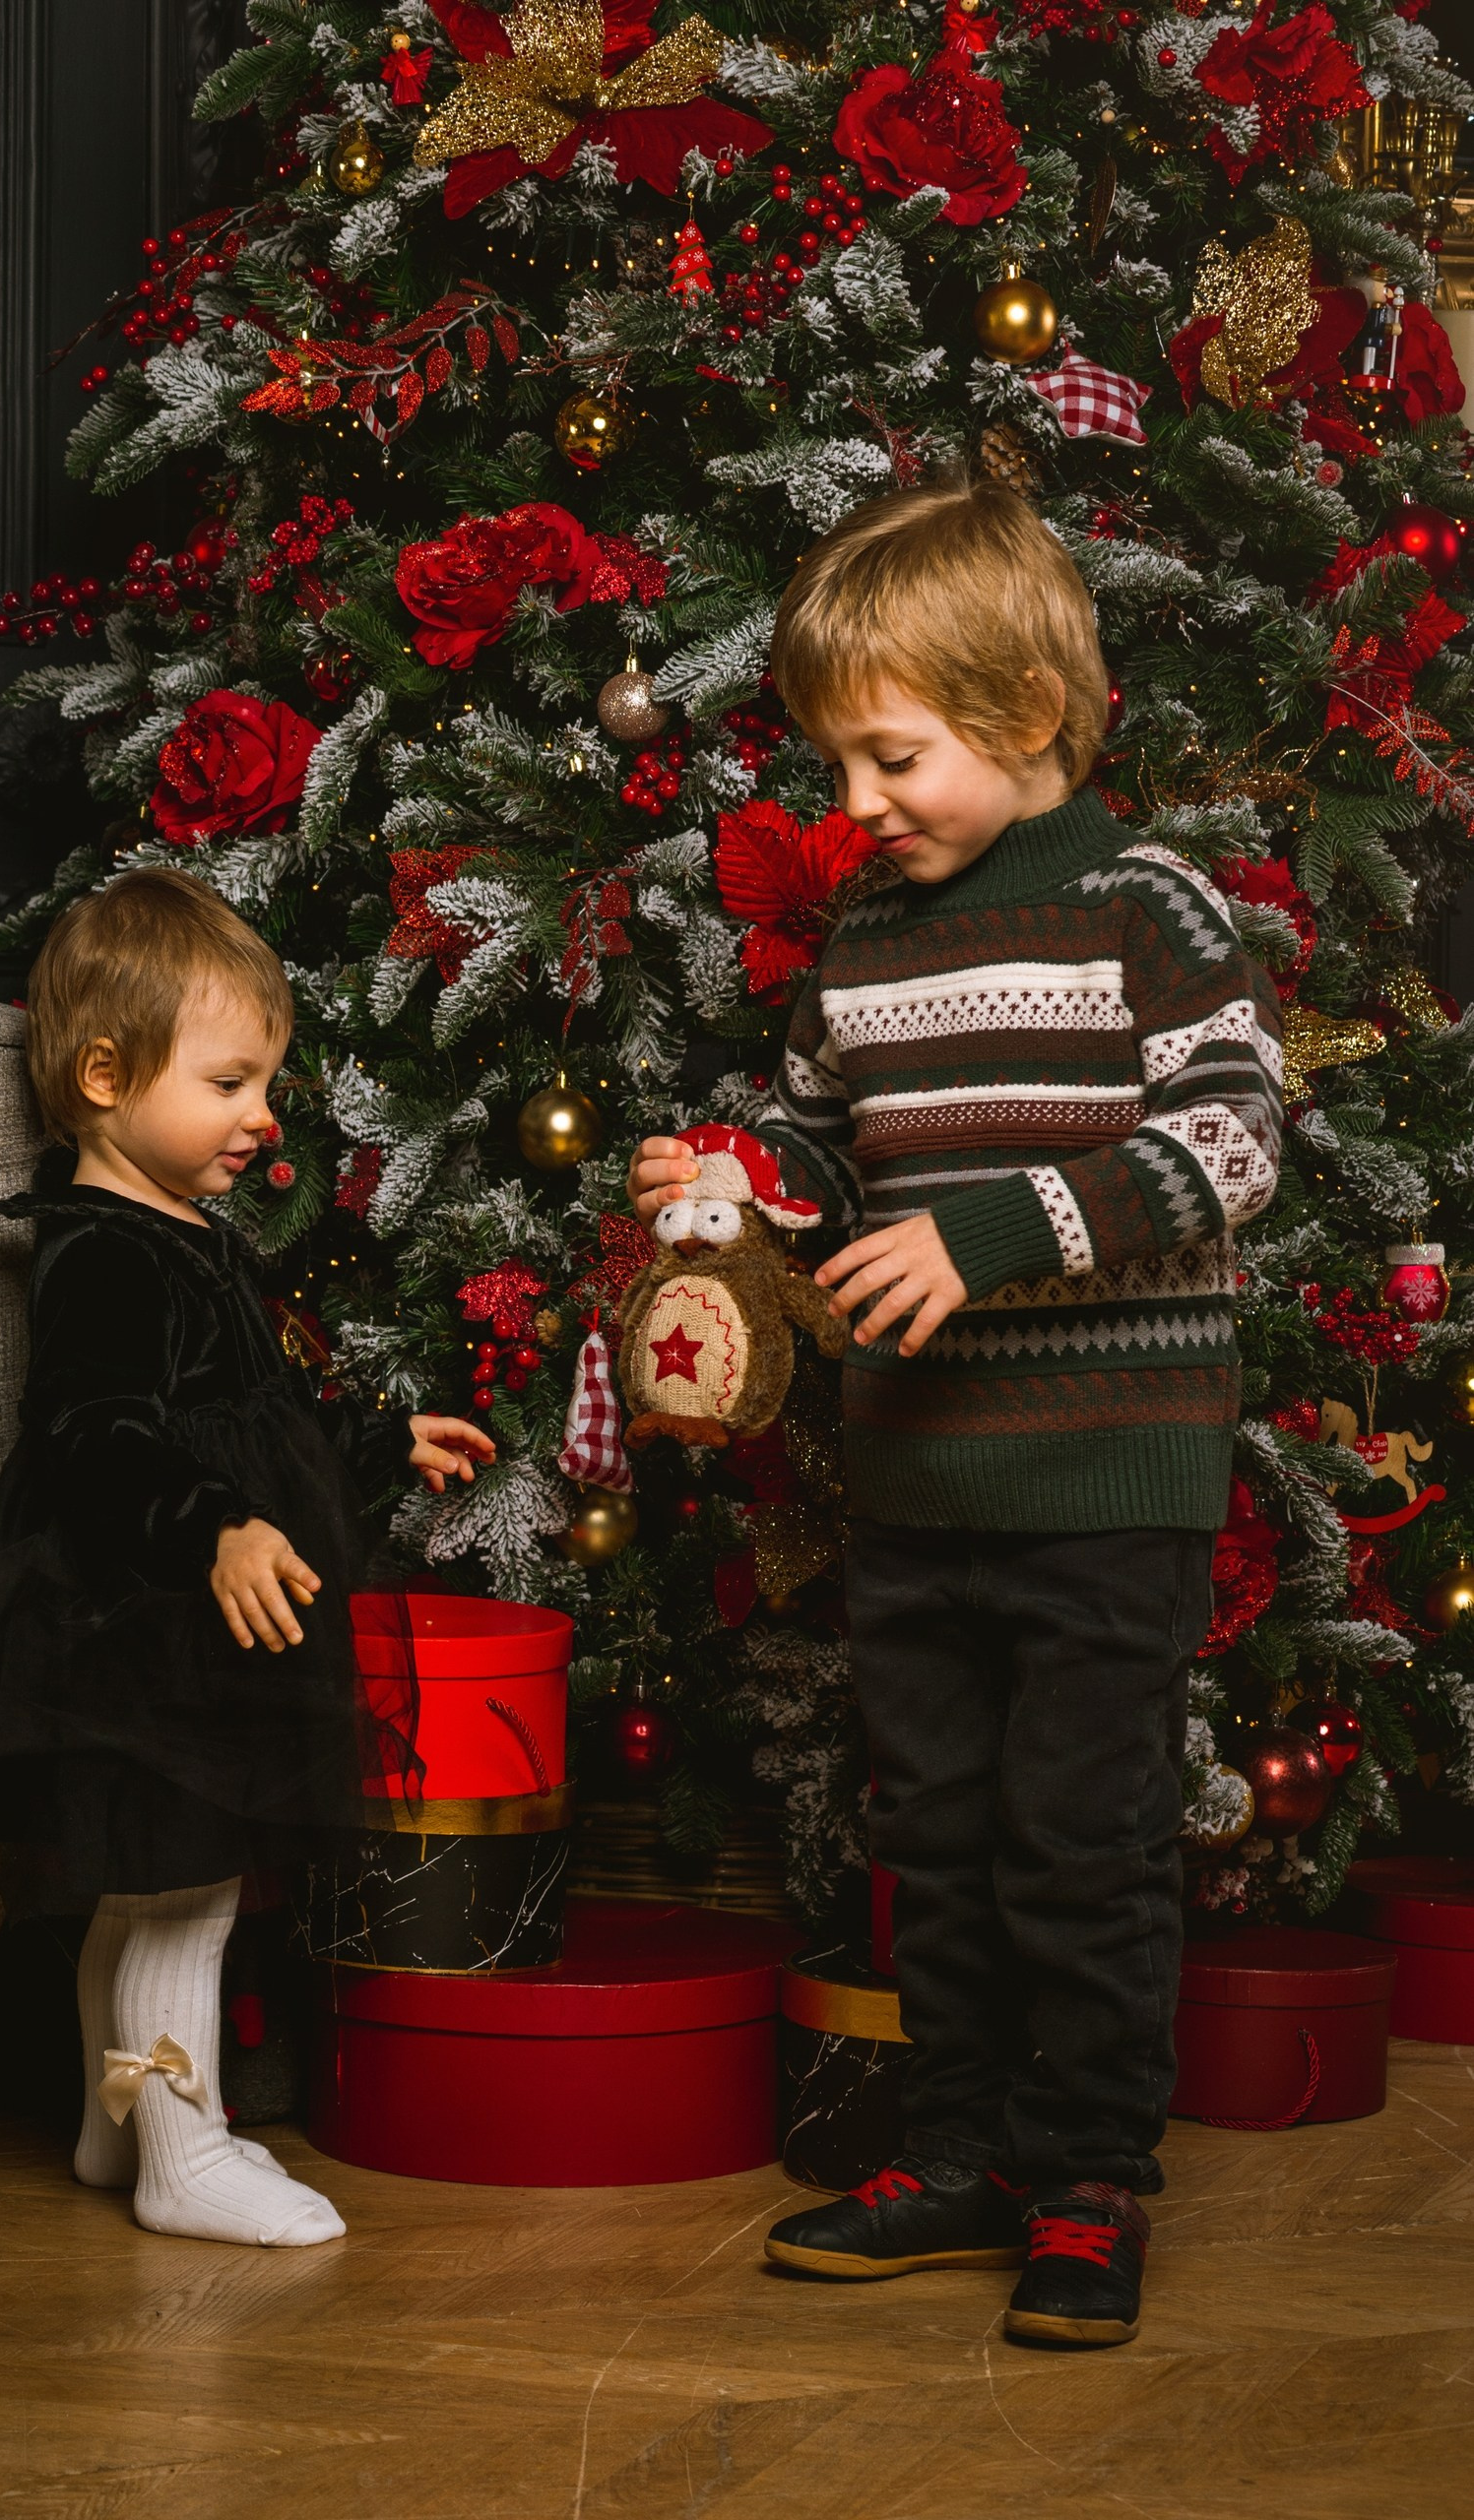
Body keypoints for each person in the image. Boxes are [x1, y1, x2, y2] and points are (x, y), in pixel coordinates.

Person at [629, 481, 1281, 2348]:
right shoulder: (867, 934)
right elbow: (836, 1144)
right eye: (838, 764)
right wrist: (746, 1176)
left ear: (1019, 711)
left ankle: (1088, 2183)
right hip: (919, 1478)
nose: (856, 807)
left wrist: (991, 1236)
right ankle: (967, 2143)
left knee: (1082, 1837)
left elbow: (1237, 1135)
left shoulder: (1140, 905)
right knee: (936, 1832)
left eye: (893, 757)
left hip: (1102, 1471)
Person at [0, 867, 490, 2248]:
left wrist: (384, 1438)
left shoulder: (187, 1235)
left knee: (157, 1877)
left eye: (262, 1082)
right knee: (179, 1887)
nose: (260, 1119)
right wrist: (213, 1525)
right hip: (140, 1623)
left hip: (197, 1619)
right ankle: (182, 2144)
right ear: (104, 1073)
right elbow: (96, 1436)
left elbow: (257, 1410)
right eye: (227, 1083)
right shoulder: (99, 1255)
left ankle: (116, 2122)